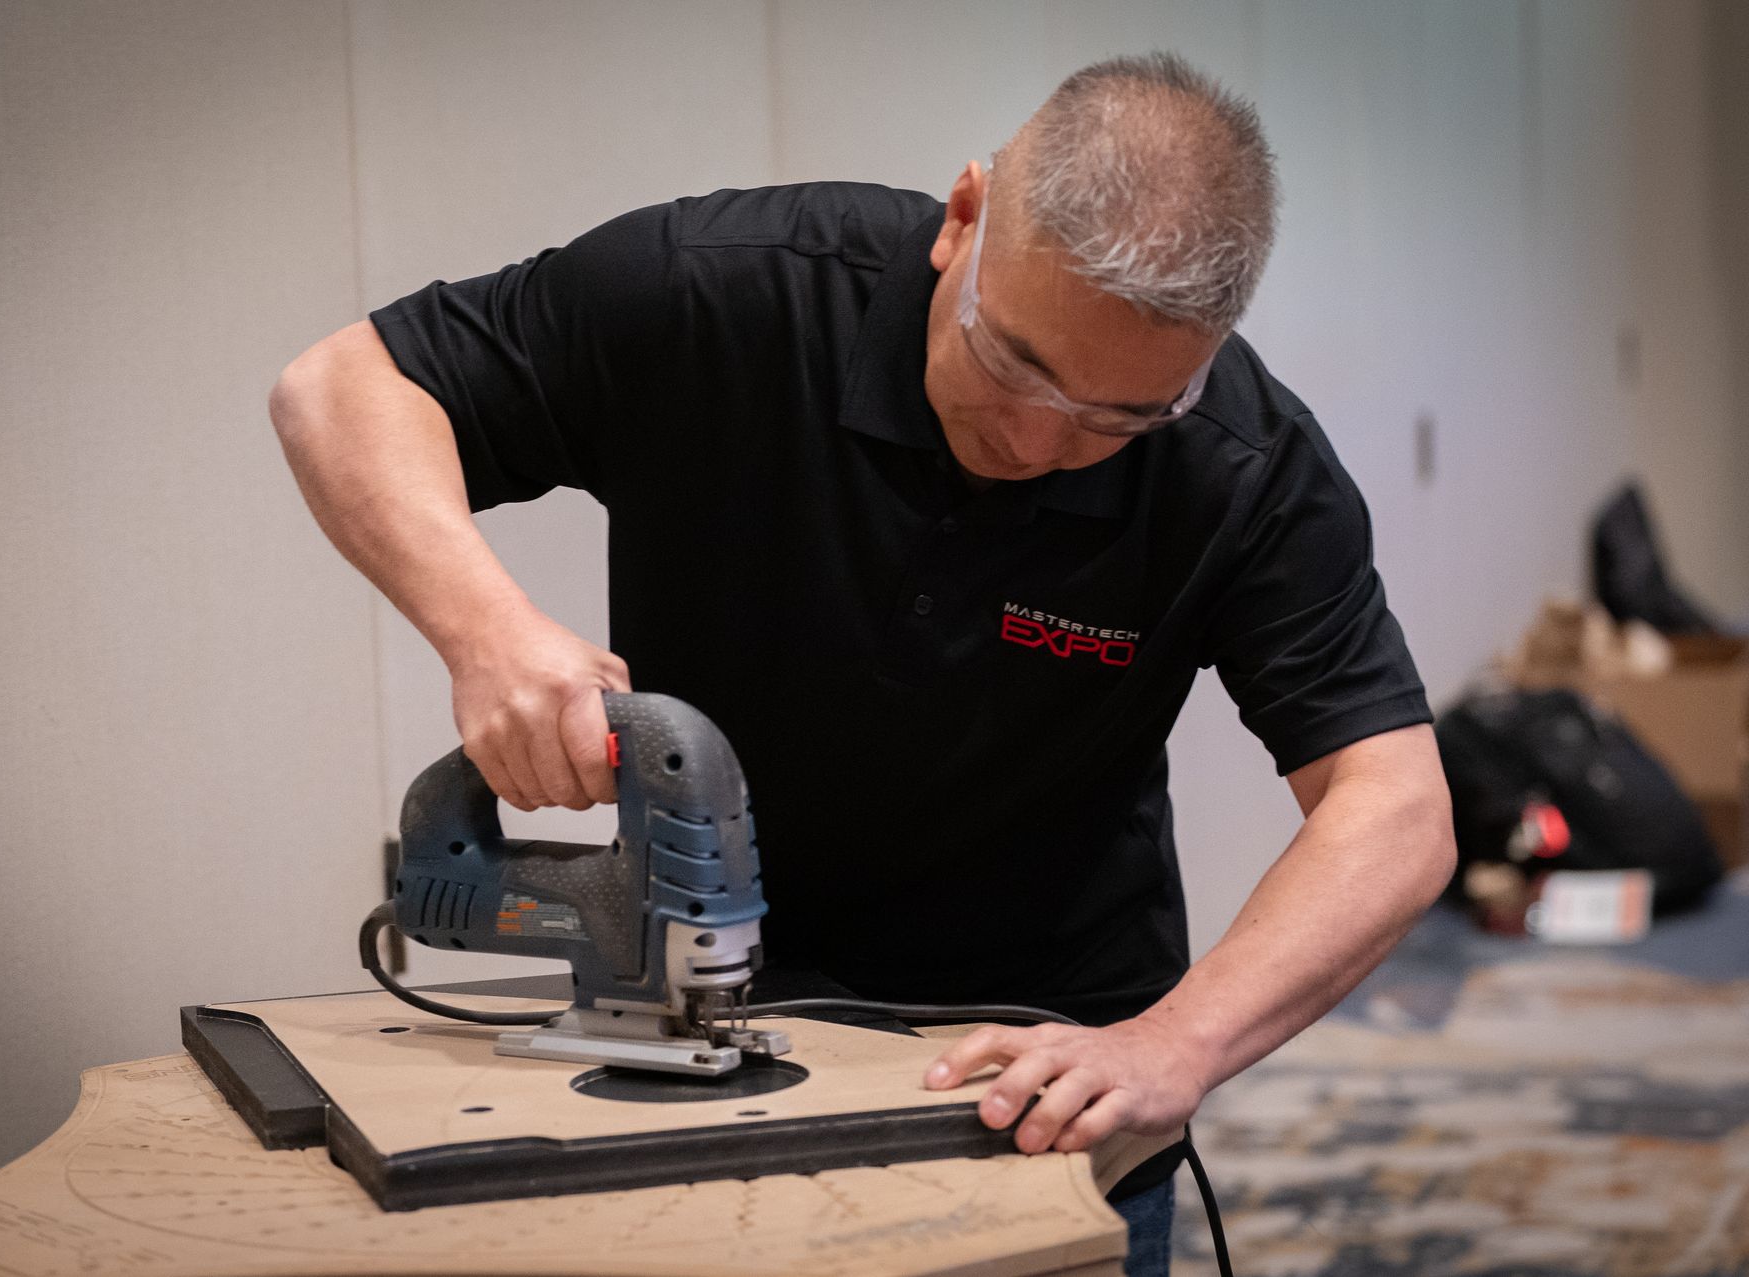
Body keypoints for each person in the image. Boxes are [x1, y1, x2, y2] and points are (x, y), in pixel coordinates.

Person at [270, 52, 1456, 1268]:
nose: (1040, 440)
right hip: (698, 1024)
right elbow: (342, 386)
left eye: (1121, 417)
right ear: (964, 222)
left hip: (1039, 1063)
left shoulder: (1245, 467)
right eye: (1017, 363)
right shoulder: (725, 296)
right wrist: (489, 631)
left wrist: (1176, 1044)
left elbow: (1397, 807)